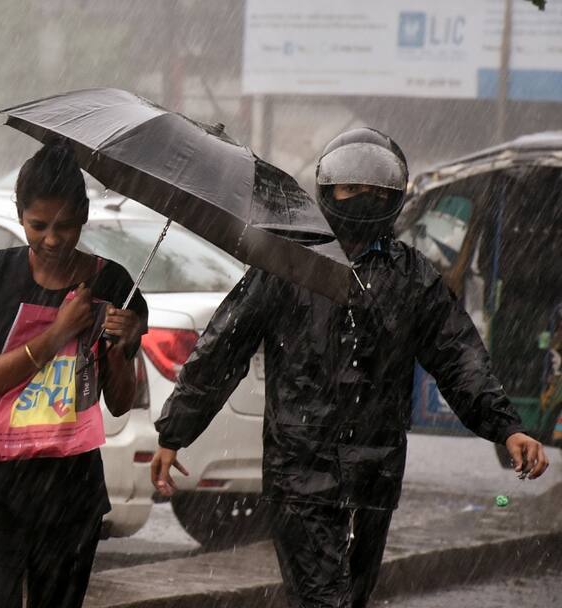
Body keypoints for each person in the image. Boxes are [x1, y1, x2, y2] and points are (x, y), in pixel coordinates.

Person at [151, 128, 550, 608]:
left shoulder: (413, 278)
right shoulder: (288, 263)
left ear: (394, 195)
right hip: (299, 475)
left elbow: (460, 358)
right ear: (328, 190)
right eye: (351, 188)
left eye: (376, 189)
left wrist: (506, 428)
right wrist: (175, 431)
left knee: (349, 599)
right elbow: (223, 347)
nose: (364, 199)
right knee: (325, 600)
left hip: (373, 479)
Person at [0, 141, 148, 608]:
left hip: (69, 489)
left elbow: (119, 402)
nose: (53, 240)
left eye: (65, 226)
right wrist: (58, 332)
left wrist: (123, 348)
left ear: (83, 217)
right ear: (19, 216)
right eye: (38, 226)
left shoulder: (114, 285)